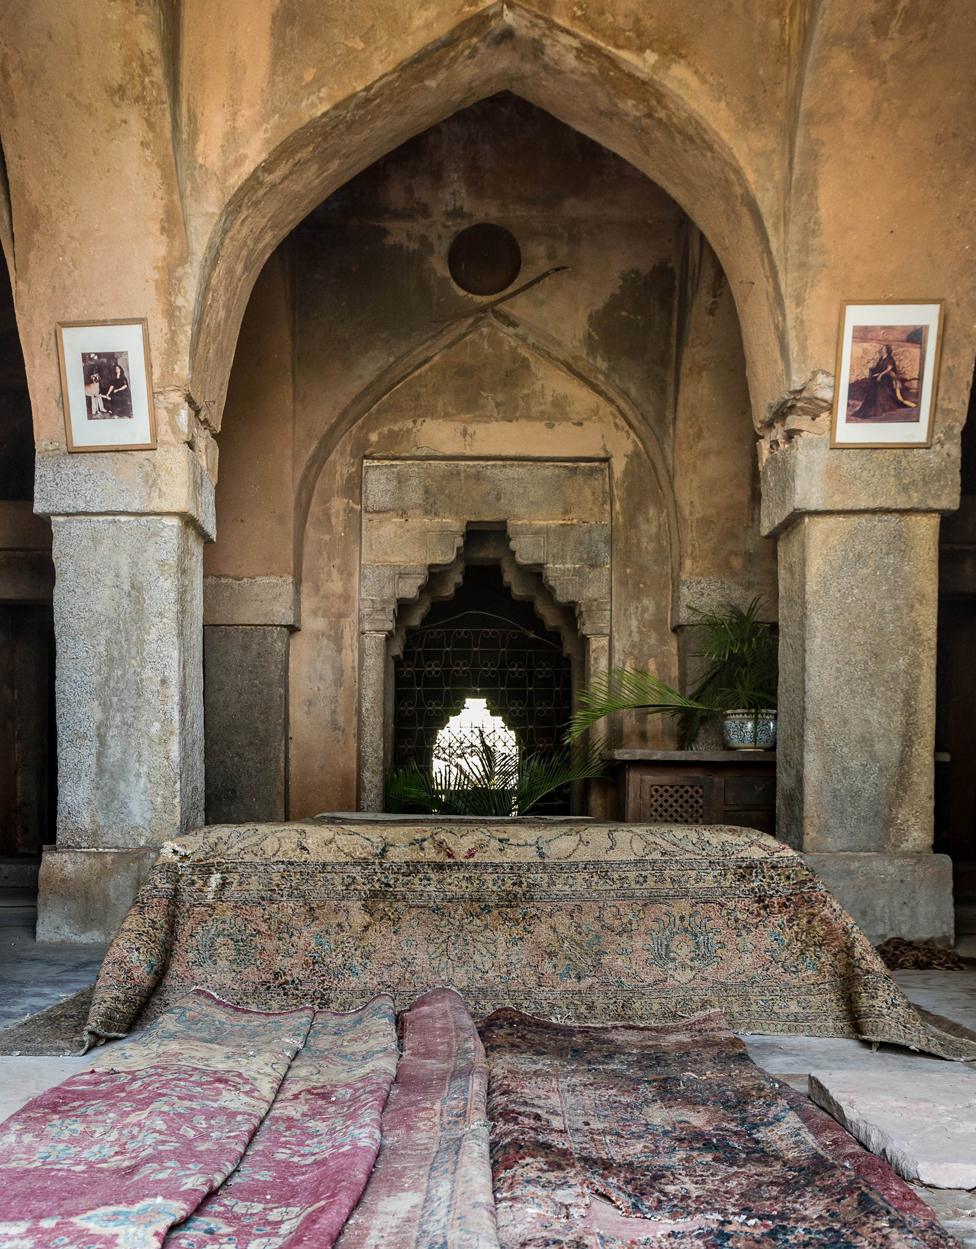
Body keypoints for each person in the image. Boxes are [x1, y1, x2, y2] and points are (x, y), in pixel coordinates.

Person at [850, 343, 917, 421]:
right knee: (872, 380)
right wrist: (875, 372)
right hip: (882, 375)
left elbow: (889, 369)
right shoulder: (881, 358)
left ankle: (877, 403)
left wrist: (881, 375)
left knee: (877, 382)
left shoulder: (890, 358)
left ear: (887, 350)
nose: (882, 350)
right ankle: (870, 402)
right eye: (882, 349)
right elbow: (878, 368)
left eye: (884, 349)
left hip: (888, 376)